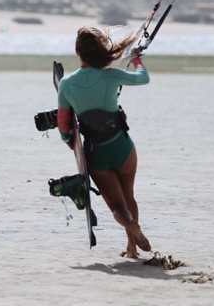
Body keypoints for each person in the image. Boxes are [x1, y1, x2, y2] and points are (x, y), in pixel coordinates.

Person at [57, 26, 151, 258]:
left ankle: (131, 226)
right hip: (122, 146)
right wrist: (137, 58)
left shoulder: (66, 85)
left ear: (77, 52)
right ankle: (132, 249)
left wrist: (70, 142)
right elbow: (143, 78)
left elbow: (63, 127)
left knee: (118, 208)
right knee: (129, 196)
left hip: (96, 152)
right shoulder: (111, 75)